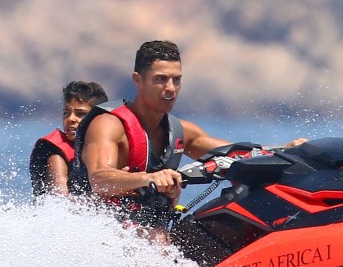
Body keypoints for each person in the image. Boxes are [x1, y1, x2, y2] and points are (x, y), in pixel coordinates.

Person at [78, 40, 305, 230]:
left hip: (151, 235)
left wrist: (282, 150)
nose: (171, 88)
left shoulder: (180, 131)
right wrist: (149, 178)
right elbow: (98, 179)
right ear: (138, 80)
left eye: (176, 79)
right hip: (103, 234)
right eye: (160, 79)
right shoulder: (109, 124)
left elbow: (236, 154)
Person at [29, 80, 108, 196]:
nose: (70, 119)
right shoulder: (56, 156)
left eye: (80, 114)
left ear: (100, 118)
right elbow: (60, 201)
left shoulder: (106, 145)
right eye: (66, 113)